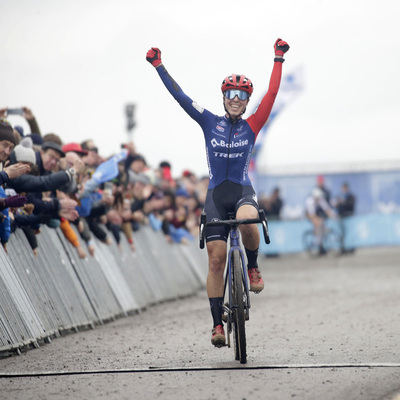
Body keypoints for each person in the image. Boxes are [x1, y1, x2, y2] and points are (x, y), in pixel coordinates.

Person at [147, 38, 290, 347]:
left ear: (247, 100)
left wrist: (278, 58)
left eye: (241, 95)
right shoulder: (209, 121)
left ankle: (252, 267)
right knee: (216, 260)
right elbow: (180, 96)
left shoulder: (253, 124)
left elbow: (273, 93)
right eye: (231, 94)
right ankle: (216, 325)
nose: (236, 99)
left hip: (241, 191)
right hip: (215, 196)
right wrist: (159, 65)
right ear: (224, 97)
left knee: (249, 219)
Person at [305, 187, 336, 255]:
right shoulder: (309, 201)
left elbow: (327, 209)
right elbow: (311, 214)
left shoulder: (320, 199)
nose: (318, 199)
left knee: (321, 222)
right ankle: (317, 238)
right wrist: (315, 222)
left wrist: (333, 216)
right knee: (317, 223)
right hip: (308, 214)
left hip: (317, 213)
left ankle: (321, 242)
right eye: (317, 198)